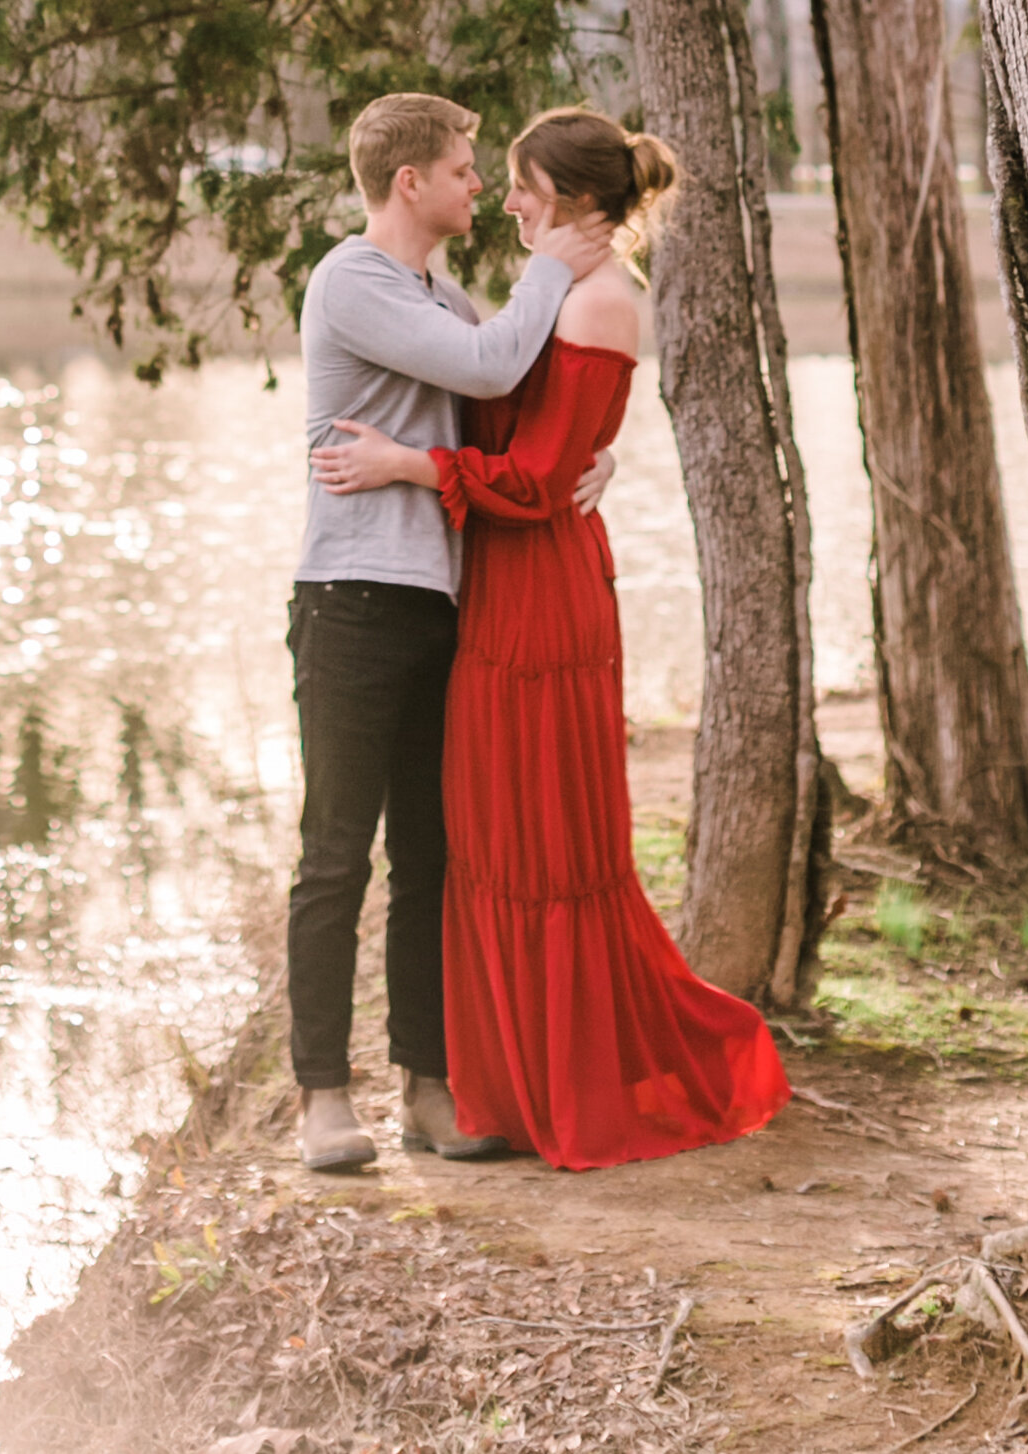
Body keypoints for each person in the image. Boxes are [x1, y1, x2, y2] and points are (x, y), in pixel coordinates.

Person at [313, 107, 790, 1171]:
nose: (503, 198)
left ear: (571, 202)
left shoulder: (603, 302)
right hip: (499, 586)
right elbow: (502, 409)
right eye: (484, 174)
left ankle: (554, 1089)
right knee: (491, 845)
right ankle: (499, 1084)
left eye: (519, 183)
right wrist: (566, 453)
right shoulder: (549, 297)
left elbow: (531, 480)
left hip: (538, 594)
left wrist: (413, 468)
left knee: (541, 848)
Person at [286, 90, 620, 1174]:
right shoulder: (351, 281)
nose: (481, 186)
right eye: (466, 169)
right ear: (408, 183)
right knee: (337, 855)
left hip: (443, 601)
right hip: (349, 601)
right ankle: (320, 1100)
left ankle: (425, 1091)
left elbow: (516, 400)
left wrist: (592, 455)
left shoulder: (444, 291)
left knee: (432, 856)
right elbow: (489, 367)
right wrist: (553, 266)